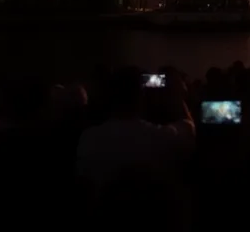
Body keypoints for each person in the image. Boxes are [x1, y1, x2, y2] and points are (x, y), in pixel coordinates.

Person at [76, 67, 195, 198]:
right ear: (141, 96)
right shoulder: (162, 138)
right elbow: (189, 127)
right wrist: (176, 94)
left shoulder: (88, 139)